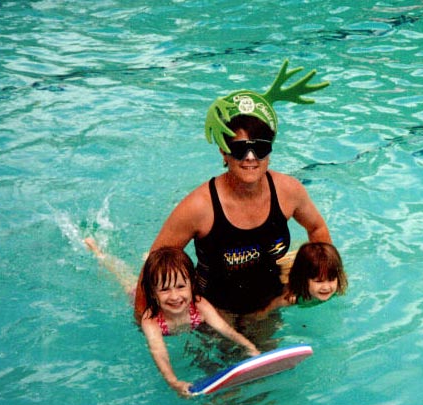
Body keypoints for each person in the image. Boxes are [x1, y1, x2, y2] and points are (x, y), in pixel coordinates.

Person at [134, 60, 332, 320]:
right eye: (240, 149)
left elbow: (317, 228)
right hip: (213, 311)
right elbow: (152, 268)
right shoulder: (199, 207)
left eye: (259, 148)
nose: (250, 158)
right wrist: (143, 321)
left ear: (270, 152)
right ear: (223, 152)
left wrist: (321, 275)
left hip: (269, 300)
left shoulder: (288, 191)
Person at [85, 238, 259, 397]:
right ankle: (99, 253)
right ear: (153, 293)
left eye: (181, 286)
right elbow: (159, 352)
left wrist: (249, 347)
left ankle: (150, 263)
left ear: (192, 284)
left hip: (169, 290)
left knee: (159, 274)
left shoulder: (199, 305)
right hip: (137, 297)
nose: (175, 297)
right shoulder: (151, 320)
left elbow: (225, 330)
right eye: (164, 289)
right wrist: (173, 381)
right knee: (123, 278)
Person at [255, 242, 348, 317]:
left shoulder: (339, 285)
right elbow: (263, 312)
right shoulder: (289, 298)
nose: (326, 287)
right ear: (303, 280)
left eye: (331, 279)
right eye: (318, 281)